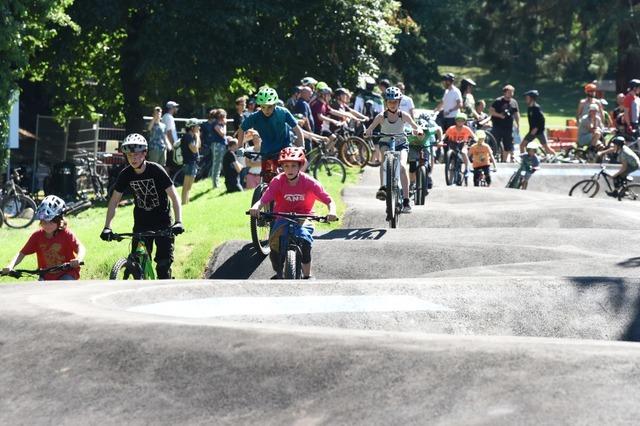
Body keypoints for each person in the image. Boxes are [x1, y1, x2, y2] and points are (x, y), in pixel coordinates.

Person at [101, 133, 184, 280]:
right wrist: (107, 226)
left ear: (145, 153)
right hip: (141, 224)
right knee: (137, 263)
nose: (133, 158)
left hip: (163, 223)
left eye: (137, 155)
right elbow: (114, 201)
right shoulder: (125, 174)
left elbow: (174, 196)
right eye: (129, 155)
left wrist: (178, 221)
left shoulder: (156, 170)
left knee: (163, 265)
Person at [249, 147, 337, 279]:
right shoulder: (278, 181)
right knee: (274, 249)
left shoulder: (309, 182)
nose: (289, 170)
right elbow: (265, 198)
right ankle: (279, 271)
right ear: (282, 167)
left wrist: (332, 211)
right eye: (286, 166)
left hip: (304, 217)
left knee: (305, 243)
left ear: (300, 166)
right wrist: (256, 206)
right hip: (282, 217)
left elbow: (328, 200)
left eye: (293, 166)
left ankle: (307, 275)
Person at [365, 86, 423, 213]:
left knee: (402, 167)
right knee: (384, 160)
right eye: (389, 102)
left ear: (399, 102)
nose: (392, 104)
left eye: (395, 102)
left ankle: (406, 200)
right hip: (385, 142)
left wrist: (418, 130)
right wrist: (368, 132)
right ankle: (383, 188)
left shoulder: (404, 115)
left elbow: (415, 125)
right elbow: (370, 128)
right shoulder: (381, 116)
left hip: (401, 143)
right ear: (386, 102)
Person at [3, 195, 85, 281]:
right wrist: (10, 265)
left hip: (67, 273)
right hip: (45, 275)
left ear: (59, 220)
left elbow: (81, 248)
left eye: (51, 222)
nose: (47, 226)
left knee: (64, 285)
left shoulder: (66, 234)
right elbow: (22, 253)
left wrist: (78, 259)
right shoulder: (37, 236)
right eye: (44, 222)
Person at [238, 87, 304, 163]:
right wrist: (240, 147)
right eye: (263, 107)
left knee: (288, 172)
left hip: (285, 151)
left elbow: (297, 129)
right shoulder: (255, 116)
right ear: (259, 105)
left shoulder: (283, 112)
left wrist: (302, 146)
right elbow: (242, 129)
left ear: (275, 104)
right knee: (266, 174)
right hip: (267, 152)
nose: (266, 110)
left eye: (269, 107)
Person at [408, 114, 441, 189]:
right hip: (413, 147)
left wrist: (440, 140)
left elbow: (438, 129)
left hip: (425, 147)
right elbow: (401, 131)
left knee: (427, 165)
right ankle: (412, 183)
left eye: (424, 131)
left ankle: (426, 177)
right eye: (419, 133)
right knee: (412, 166)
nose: (421, 134)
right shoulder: (410, 131)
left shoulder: (429, 131)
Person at [519, 90, 556, 157]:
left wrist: (536, 128)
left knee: (546, 148)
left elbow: (542, 120)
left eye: (527, 98)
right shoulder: (530, 108)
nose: (526, 99)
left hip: (539, 132)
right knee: (522, 145)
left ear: (532, 98)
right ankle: (524, 160)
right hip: (532, 131)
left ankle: (555, 156)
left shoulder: (536, 108)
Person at [490, 84, 520, 162]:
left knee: (507, 145)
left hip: (508, 128)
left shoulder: (514, 102)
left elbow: (516, 114)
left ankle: (504, 161)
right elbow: (491, 111)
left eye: (512, 92)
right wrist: (499, 115)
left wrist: (518, 124)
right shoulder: (498, 101)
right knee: (495, 144)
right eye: (509, 92)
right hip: (497, 127)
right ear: (505, 92)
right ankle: (492, 160)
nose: (511, 94)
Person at [443, 112, 474, 177]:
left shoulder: (466, 129)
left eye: (462, 121)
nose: (460, 122)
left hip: (463, 144)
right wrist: (440, 140)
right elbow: (445, 135)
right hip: (453, 144)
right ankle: (450, 179)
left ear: (464, 121)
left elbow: (473, 136)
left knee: (463, 152)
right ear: (456, 121)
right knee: (452, 160)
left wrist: (476, 139)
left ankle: (467, 168)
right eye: (458, 121)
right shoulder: (451, 128)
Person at [180, 118, 201, 204]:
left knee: (189, 186)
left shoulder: (192, 136)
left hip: (193, 162)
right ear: (192, 127)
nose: (199, 128)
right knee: (186, 185)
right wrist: (197, 136)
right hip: (189, 163)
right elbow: (194, 149)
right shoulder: (187, 136)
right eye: (197, 126)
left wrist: (197, 136)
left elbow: (198, 146)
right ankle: (184, 202)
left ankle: (186, 202)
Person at [210, 109, 228, 189]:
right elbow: (222, 133)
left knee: (220, 164)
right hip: (217, 145)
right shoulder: (215, 124)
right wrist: (224, 125)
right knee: (216, 164)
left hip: (222, 144)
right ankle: (215, 183)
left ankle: (217, 181)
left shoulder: (220, 124)